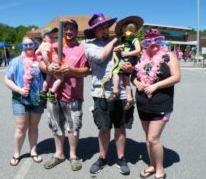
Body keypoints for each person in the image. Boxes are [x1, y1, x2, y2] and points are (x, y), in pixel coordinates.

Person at [84, 13, 135, 175]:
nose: (104, 30)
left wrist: (129, 67)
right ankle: (102, 158)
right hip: (101, 94)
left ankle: (121, 158)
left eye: (106, 27)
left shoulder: (122, 43)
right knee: (104, 128)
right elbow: (100, 57)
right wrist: (114, 41)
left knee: (120, 127)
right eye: (100, 28)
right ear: (94, 32)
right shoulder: (90, 46)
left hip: (121, 93)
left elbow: (132, 61)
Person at [39, 19, 89, 171]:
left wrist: (71, 70)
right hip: (54, 96)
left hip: (73, 95)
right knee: (56, 125)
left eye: (71, 29)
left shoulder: (82, 48)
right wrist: (49, 68)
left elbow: (86, 71)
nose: (68, 32)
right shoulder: (55, 45)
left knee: (73, 127)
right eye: (65, 29)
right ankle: (59, 154)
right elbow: (40, 62)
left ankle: (73, 156)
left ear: (76, 31)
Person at [132, 29, 181, 179]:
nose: (153, 46)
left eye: (157, 42)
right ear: (145, 45)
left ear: (161, 42)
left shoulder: (169, 56)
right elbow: (134, 76)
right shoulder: (142, 58)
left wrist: (156, 86)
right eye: (148, 43)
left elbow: (177, 77)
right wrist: (136, 82)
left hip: (161, 104)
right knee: (148, 138)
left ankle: (160, 169)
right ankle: (152, 165)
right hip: (142, 103)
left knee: (153, 138)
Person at [4, 36, 44, 166]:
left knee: (34, 126)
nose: (28, 48)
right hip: (20, 99)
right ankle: (17, 154)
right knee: (21, 127)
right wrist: (19, 90)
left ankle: (33, 151)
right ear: (22, 47)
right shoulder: (16, 61)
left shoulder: (40, 61)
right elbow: (7, 79)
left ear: (35, 45)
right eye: (25, 45)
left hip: (37, 99)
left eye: (30, 45)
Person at [110, 16, 143, 105]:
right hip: (124, 58)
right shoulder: (123, 39)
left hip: (128, 59)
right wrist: (117, 48)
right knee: (125, 80)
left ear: (135, 31)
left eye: (131, 31)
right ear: (123, 30)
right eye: (127, 30)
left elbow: (138, 50)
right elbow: (120, 47)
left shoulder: (135, 39)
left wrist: (127, 54)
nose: (129, 32)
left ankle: (115, 90)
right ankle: (129, 98)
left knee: (116, 72)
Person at [35, 27, 63, 104]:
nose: (52, 39)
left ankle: (43, 93)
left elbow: (36, 53)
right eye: (50, 37)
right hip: (52, 64)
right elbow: (44, 55)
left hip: (50, 64)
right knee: (60, 79)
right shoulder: (47, 44)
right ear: (44, 37)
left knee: (47, 80)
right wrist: (48, 64)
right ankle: (52, 93)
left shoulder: (41, 45)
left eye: (53, 37)